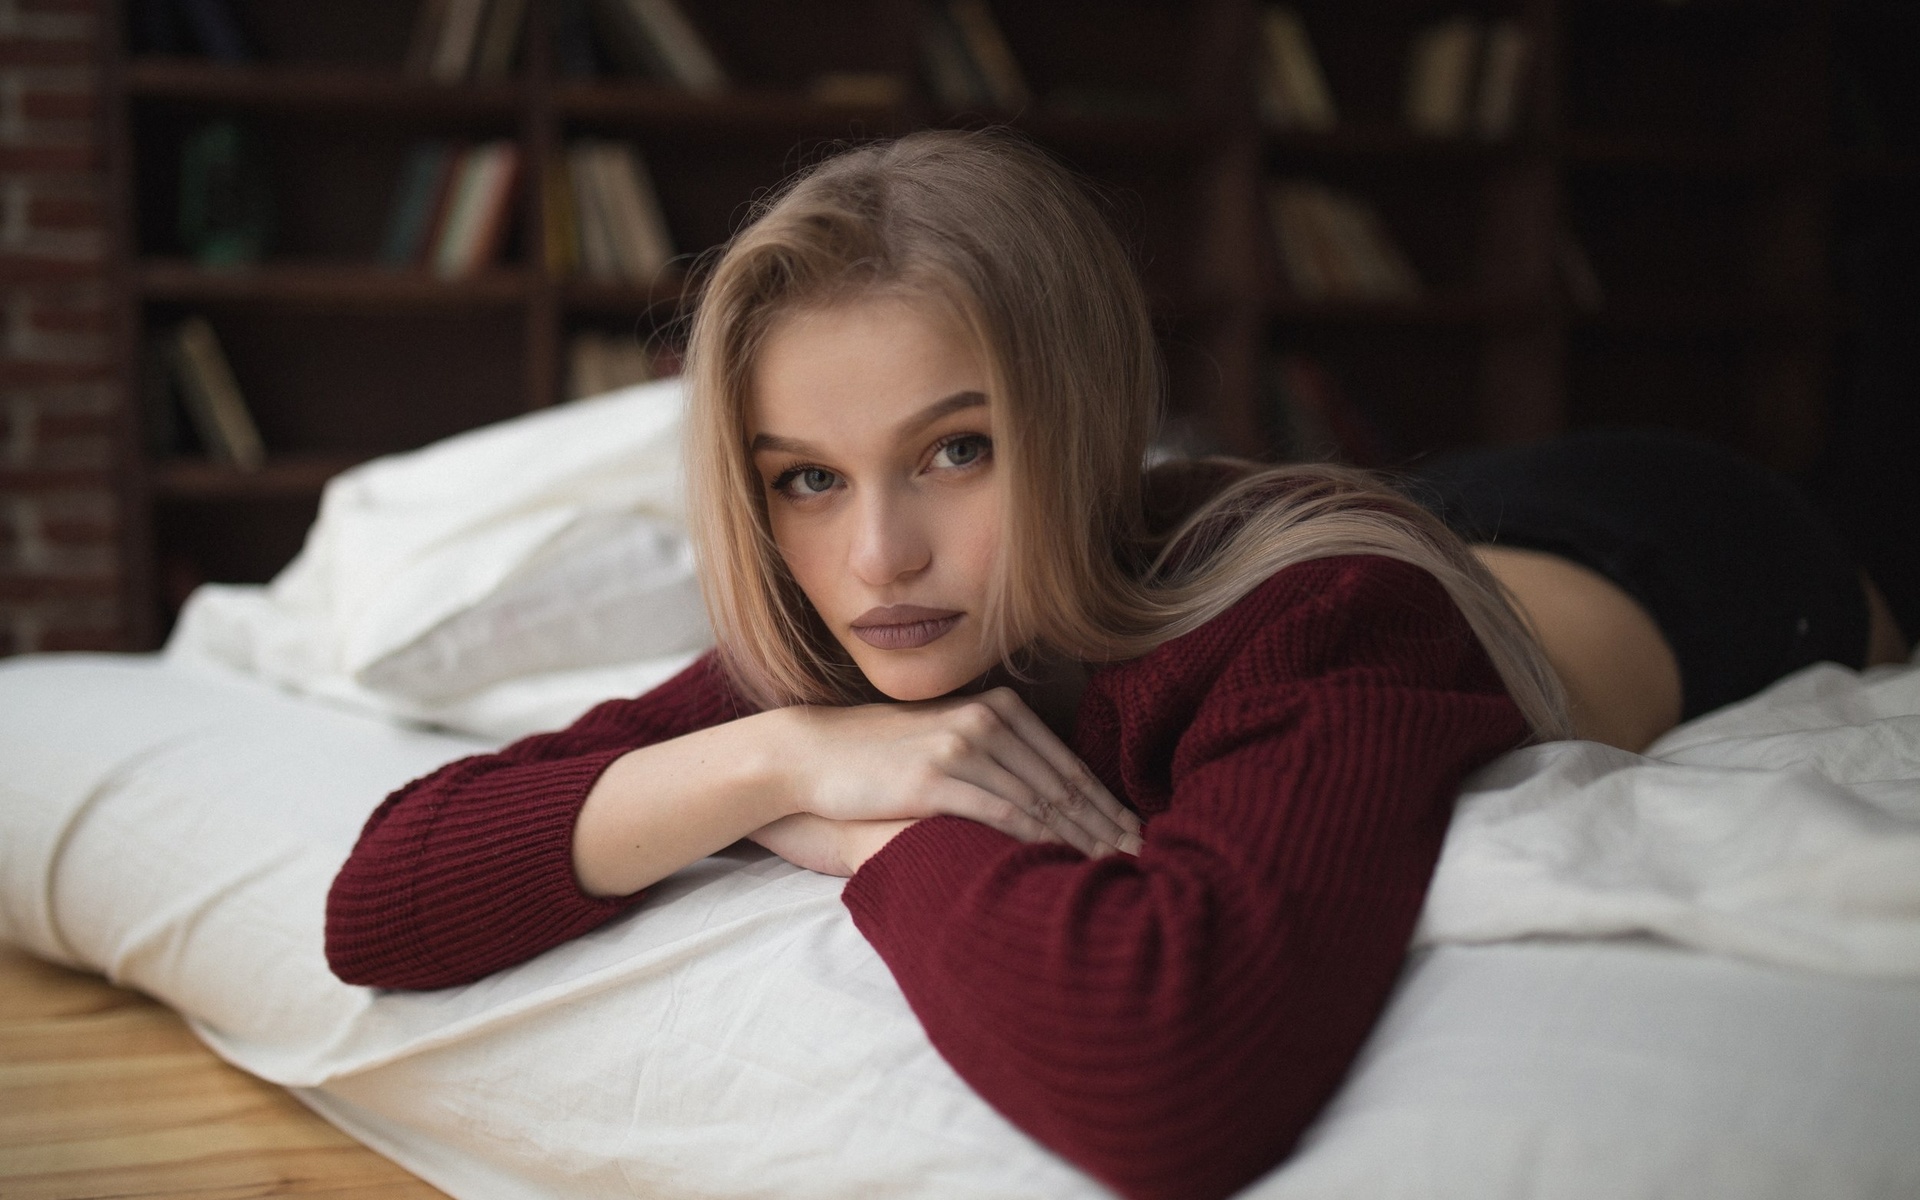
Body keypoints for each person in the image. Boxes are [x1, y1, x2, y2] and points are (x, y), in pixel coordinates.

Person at [325, 131, 1908, 1200]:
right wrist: (780, 770)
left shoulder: (1326, 619)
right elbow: (381, 897)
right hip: (1439, 503)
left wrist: (886, 837)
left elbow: (1172, 1072)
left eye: (956, 451)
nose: (879, 556)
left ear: (1075, 422)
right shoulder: (848, 643)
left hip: (1688, 555)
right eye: (805, 475)